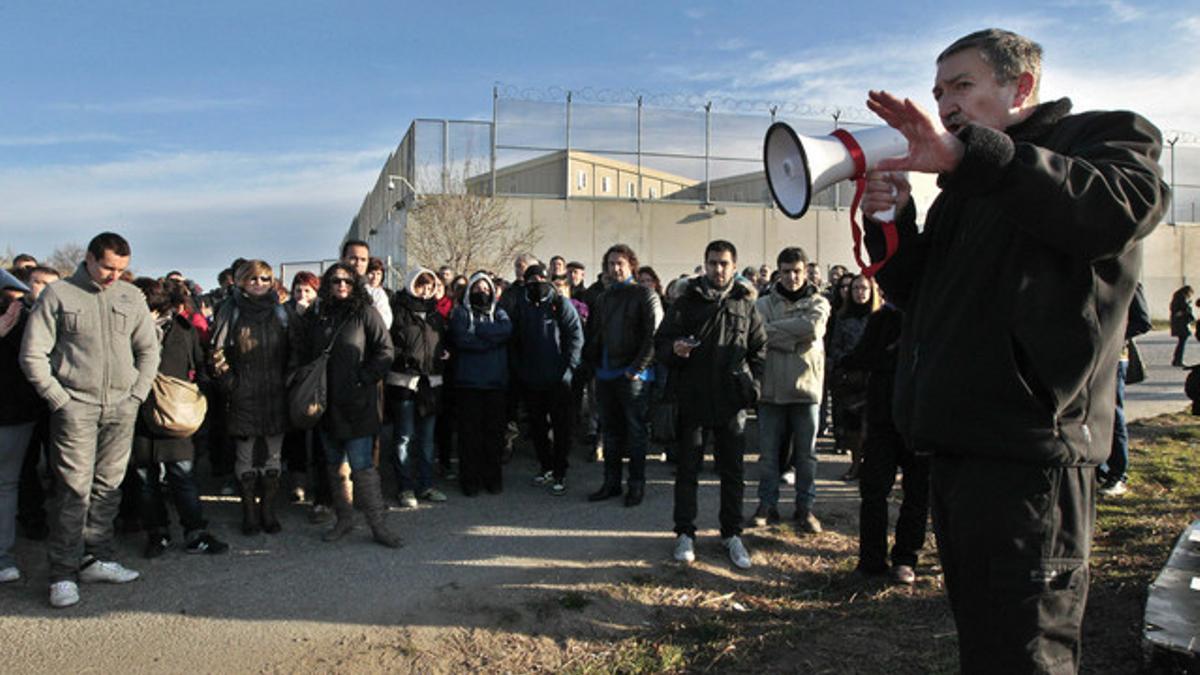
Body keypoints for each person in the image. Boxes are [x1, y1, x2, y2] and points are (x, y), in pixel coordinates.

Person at [861, 28, 1168, 671]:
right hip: (961, 447)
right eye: (939, 90)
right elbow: (919, 293)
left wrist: (971, 157)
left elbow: (1118, 209)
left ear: (1020, 85)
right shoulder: (969, 188)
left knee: (1029, 649)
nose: (944, 104)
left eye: (963, 87)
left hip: (1032, 459)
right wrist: (891, 221)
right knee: (989, 643)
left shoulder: (1102, 137)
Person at [19, 232, 160, 608]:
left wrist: (136, 395)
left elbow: (149, 349)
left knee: (109, 487)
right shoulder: (58, 295)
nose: (114, 275)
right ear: (89, 258)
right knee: (72, 490)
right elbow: (33, 354)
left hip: (121, 407)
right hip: (74, 408)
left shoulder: (132, 297)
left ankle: (98, 557)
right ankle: (63, 574)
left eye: (122, 269)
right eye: (108, 267)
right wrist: (59, 399)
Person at [656, 240, 766, 569]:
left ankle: (732, 534)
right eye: (713, 263)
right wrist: (673, 348)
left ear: (734, 266)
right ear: (704, 264)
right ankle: (685, 534)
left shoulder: (745, 304)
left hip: (731, 403)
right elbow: (660, 342)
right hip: (691, 399)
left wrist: (753, 387)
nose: (718, 270)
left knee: (733, 473)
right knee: (687, 471)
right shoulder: (685, 302)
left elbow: (759, 350)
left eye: (724, 264)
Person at [293, 264, 400, 547]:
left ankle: (379, 526)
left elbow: (386, 350)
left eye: (348, 281)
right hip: (326, 404)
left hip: (357, 403)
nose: (341, 285)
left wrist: (363, 378)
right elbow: (305, 351)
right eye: (336, 280)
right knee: (334, 466)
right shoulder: (320, 315)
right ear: (328, 284)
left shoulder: (365, 313)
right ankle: (345, 519)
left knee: (362, 467)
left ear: (355, 284)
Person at [130, 278, 228, 558]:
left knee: (182, 475)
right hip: (139, 413)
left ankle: (194, 531)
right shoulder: (126, 330)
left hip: (173, 411)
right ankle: (156, 532)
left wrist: (197, 397)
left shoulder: (181, 328)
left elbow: (199, 364)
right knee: (144, 478)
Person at [841, 300, 929, 585]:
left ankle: (906, 558)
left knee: (916, 495)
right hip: (883, 418)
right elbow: (860, 357)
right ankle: (871, 559)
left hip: (919, 420)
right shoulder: (882, 320)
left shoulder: (932, 314)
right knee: (874, 491)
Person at [749, 247, 830, 532]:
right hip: (771, 390)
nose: (792, 277)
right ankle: (766, 505)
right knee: (769, 455)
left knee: (806, 456)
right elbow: (759, 333)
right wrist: (794, 338)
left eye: (797, 271)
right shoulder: (762, 304)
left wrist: (776, 334)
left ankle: (805, 508)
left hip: (806, 389)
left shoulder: (819, 302)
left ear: (806, 271)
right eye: (786, 271)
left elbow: (813, 329)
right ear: (778, 272)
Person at [208, 260, 291, 536]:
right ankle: (249, 512)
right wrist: (231, 383)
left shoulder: (280, 310)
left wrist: (289, 379)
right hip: (244, 392)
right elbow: (216, 352)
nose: (259, 283)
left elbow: (295, 347)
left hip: (275, 391)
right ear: (241, 281)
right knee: (245, 456)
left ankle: (268, 510)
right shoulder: (230, 309)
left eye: (265, 279)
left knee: (273, 455)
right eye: (253, 278)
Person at [583, 244, 663, 506]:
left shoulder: (645, 295)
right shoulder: (603, 298)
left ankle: (636, 485)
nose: (615, 268)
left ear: (631, 266)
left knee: (636, 433)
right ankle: (611, 482)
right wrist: (594, 367)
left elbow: (654, 337)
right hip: (605, 374)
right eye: (610, 264)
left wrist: (635, 370)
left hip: (632, 376)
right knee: (611, 432)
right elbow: (595, 335)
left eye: (620, 263)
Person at [510, 264, 584, 495]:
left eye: (542, 277)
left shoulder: (560, 303)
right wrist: (521, 370)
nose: (537, 282)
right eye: (532, 279)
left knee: (562, 428)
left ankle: (560, 470)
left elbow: (575, 337)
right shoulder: (520, 305)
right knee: (537, 427)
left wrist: (567, 370)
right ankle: (546, 467)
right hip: (532, 380)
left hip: (559, 380)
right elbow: (513, 341)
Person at [387, 268, 449, 508]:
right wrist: (404, 358)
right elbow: (388, 343)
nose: (425, 289)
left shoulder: (435, 314)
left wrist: (444, 353)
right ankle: (405, 487)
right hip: (405, 382)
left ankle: (426, 485)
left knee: (426, 439)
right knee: (404, 437)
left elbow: (441, 339)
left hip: (431, 383)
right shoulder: (398, 310)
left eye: (429, 285)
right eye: (421, 284)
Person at [447, 273, 512, 495]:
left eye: (486, 289)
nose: (481, 292)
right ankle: (470, 481)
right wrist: (490, 342)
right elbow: (461, 338)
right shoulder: (461, 313)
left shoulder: (500, 312)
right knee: (469, 437)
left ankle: (492, 479)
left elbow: (506, 331)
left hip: (495, 384)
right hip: (469, 384)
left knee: (494, 436)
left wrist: (479, 333)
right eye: (477, 288)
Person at [1, 269, 42, 582]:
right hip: (18, 413)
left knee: (7, 486)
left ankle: (3, 557)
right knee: (7, 486)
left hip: (16, 415)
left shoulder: (27, 324)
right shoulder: (28, 321)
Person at [828, 274, 882, 480]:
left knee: (872, 427)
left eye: (864, 289)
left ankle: (870, 466)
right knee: (851, 427)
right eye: (856, 288)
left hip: (873, 379)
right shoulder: (842, 317)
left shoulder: (879, 317)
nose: (860, 293)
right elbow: (834, 347)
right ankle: (855, 464)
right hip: (849, 379)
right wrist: (845, 362)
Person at [341, 240, 392, 329]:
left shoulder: (376, 294)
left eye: (363, 260)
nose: (358, 263)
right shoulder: (330, 289)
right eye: (353, 258)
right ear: (343, 259)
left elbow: (383, 324)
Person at [1170, 285, 1195, 367]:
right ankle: (1178, 360)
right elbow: (1185, 309)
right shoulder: (1182, 298)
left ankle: (1176, 360)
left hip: (1179, 323)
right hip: (1182, 324)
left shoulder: (1177, 297)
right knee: (1182, 343)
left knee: (1181, 342)